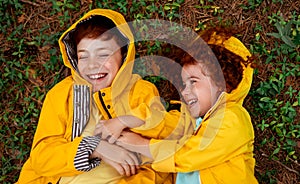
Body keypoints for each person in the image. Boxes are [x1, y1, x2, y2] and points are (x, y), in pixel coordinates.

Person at [16, 9, 183, 184]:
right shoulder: (61, 94)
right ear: (75, 59)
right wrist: (94, 147)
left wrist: (127, 120)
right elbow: (42, 158)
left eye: (103, 55)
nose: (93, 65)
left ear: (123, 54)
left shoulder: (140, 92)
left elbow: (160, 150)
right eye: (83, 57)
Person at [116, 27, 259, 183]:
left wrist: (142, 146)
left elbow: (187, 155)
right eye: (183, 85)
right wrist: (123, 122)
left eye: (193, 81)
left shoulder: (233, 118)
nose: (184, 92)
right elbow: (160, 124)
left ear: (222, 82)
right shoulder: (189, 121)